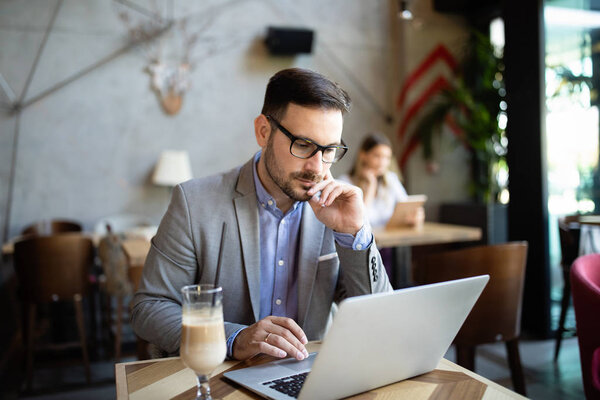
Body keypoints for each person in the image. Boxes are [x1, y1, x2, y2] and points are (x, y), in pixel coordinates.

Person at [131, 68, 392, 362]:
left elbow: (379, 318)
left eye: (329, 150)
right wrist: (234, 338)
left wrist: (354, 234)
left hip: (310, 381)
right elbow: (150, 307)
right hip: (222, 378)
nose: (318, 168)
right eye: (303, 145)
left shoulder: (338, 210)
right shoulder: (195, 203)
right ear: (263, 132)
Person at [337, 133, 424, 229]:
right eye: (377, 156)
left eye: (387, 158)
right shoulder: (345, 183)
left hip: (390, 240)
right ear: (363, 155)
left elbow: (405, 205)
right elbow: (358, 221)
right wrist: (371, 186)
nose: (383, 163)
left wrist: (414, 216)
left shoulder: (391, 179)